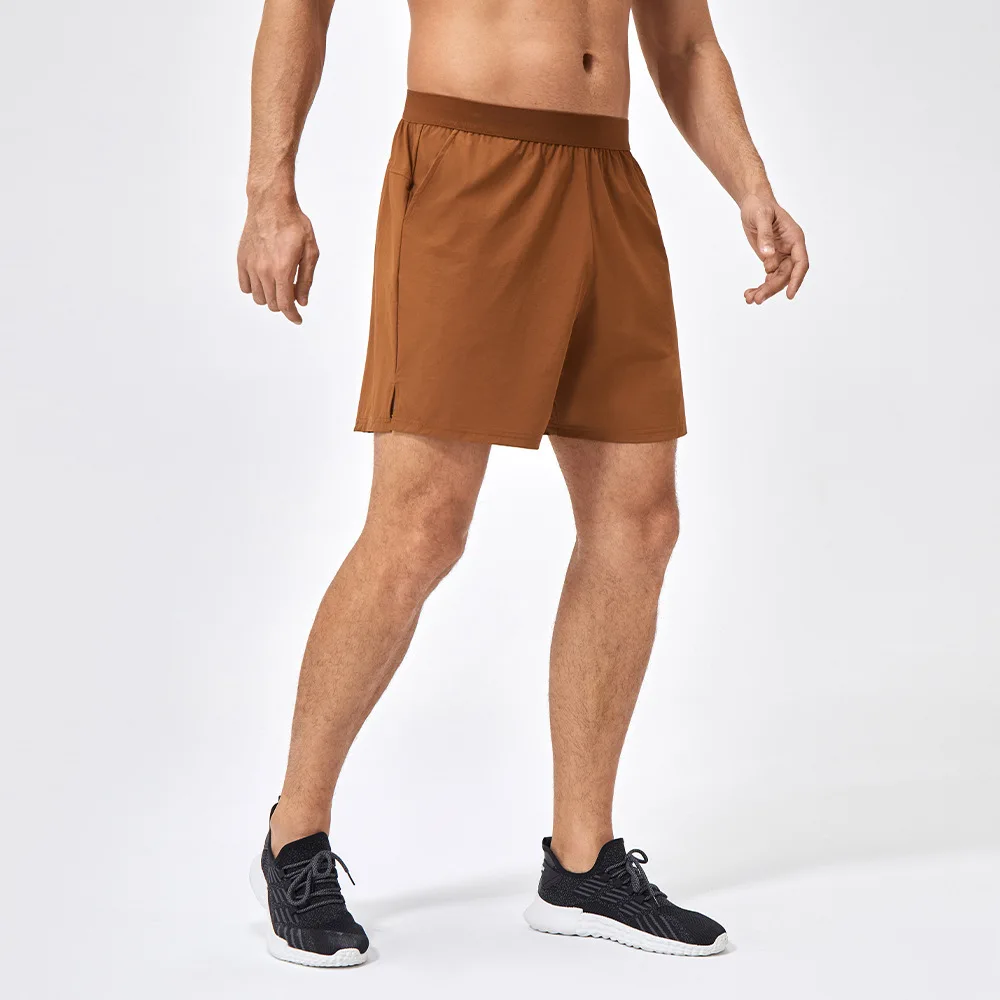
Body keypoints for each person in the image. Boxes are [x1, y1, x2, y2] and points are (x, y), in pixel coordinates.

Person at [238, 0, 808, 968]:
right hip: (467, 165)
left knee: (640, 520)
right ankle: (295, 834)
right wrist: (269, 193)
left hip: (605, 175)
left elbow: (683, 39)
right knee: (420, 526)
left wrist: (750, 185)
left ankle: (581, 863)